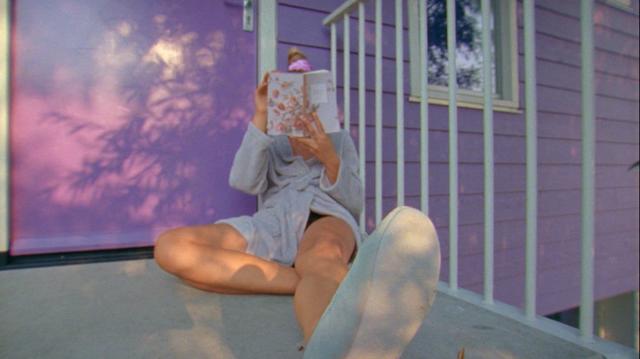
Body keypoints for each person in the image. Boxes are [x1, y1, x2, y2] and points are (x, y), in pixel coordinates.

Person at [154, 48, 441, 358]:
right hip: (274, 221)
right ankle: (320, 281)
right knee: (170, 247)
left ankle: (326, 346)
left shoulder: (339, 139)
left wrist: (328, 155)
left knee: (319, 258)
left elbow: (355, 202)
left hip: (325, 215)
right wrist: (260, 116)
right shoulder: (270, 137)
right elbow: (244, 182)